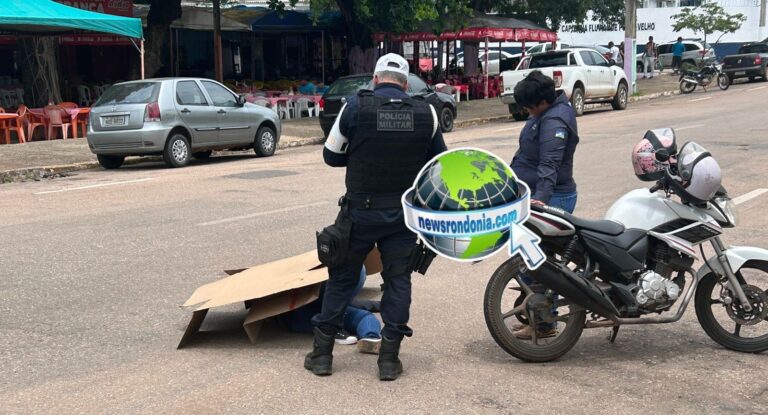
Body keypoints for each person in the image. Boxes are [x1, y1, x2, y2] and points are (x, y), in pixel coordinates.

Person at [304, 53, 447, 380]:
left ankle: (322, 355)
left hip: (359, 214)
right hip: (402, 217)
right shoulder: (427, 113)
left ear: (375, 79)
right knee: (398, 282)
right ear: (406, 83)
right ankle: (388, 360)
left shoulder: (354, 107)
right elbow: (439, 165)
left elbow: (330, 156)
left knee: (341, 279)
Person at [509, 70, 579, 339]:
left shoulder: (555, 122)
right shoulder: (546, 114)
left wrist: (541, 201)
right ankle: (537, 319)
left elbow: (550, 163)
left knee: (540, 267)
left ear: (541, 102)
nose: (526, 111)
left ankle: (545, 324)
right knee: (533, 262)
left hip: (553, 197)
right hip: (538, 194)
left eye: (528, 106)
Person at [281, 266, 383, 354]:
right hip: (303, 311)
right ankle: (369, 336)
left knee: (363, 316)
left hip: (312, 306)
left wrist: (380, 305)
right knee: (362, 316)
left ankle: (371, 338)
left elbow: (357, 304)